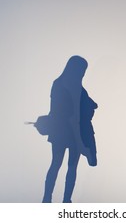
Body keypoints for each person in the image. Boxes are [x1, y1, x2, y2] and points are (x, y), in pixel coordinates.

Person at [42, 55, 98, 203]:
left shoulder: (60, 84)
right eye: (82, 69)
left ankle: (49, 199)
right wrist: (81, 144)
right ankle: (62, 200)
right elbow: (73, 116)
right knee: (67, 166)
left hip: (60, 132)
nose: (83, 73)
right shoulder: (75, 88)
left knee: (58, 165)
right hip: (68, 132)